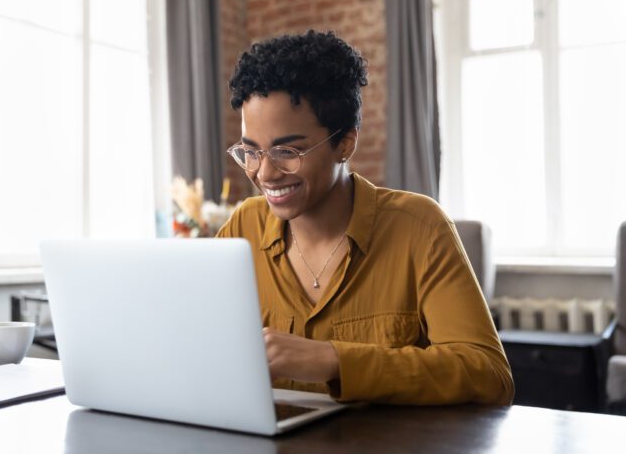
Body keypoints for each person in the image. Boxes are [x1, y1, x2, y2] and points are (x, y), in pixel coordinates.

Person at [216, 30, 514, 405]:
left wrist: (335, 360)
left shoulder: (420, 227)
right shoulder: (242, 229)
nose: (264, 174)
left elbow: (488, 374)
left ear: (346, 143)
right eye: (250, 152)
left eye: (287, 150)